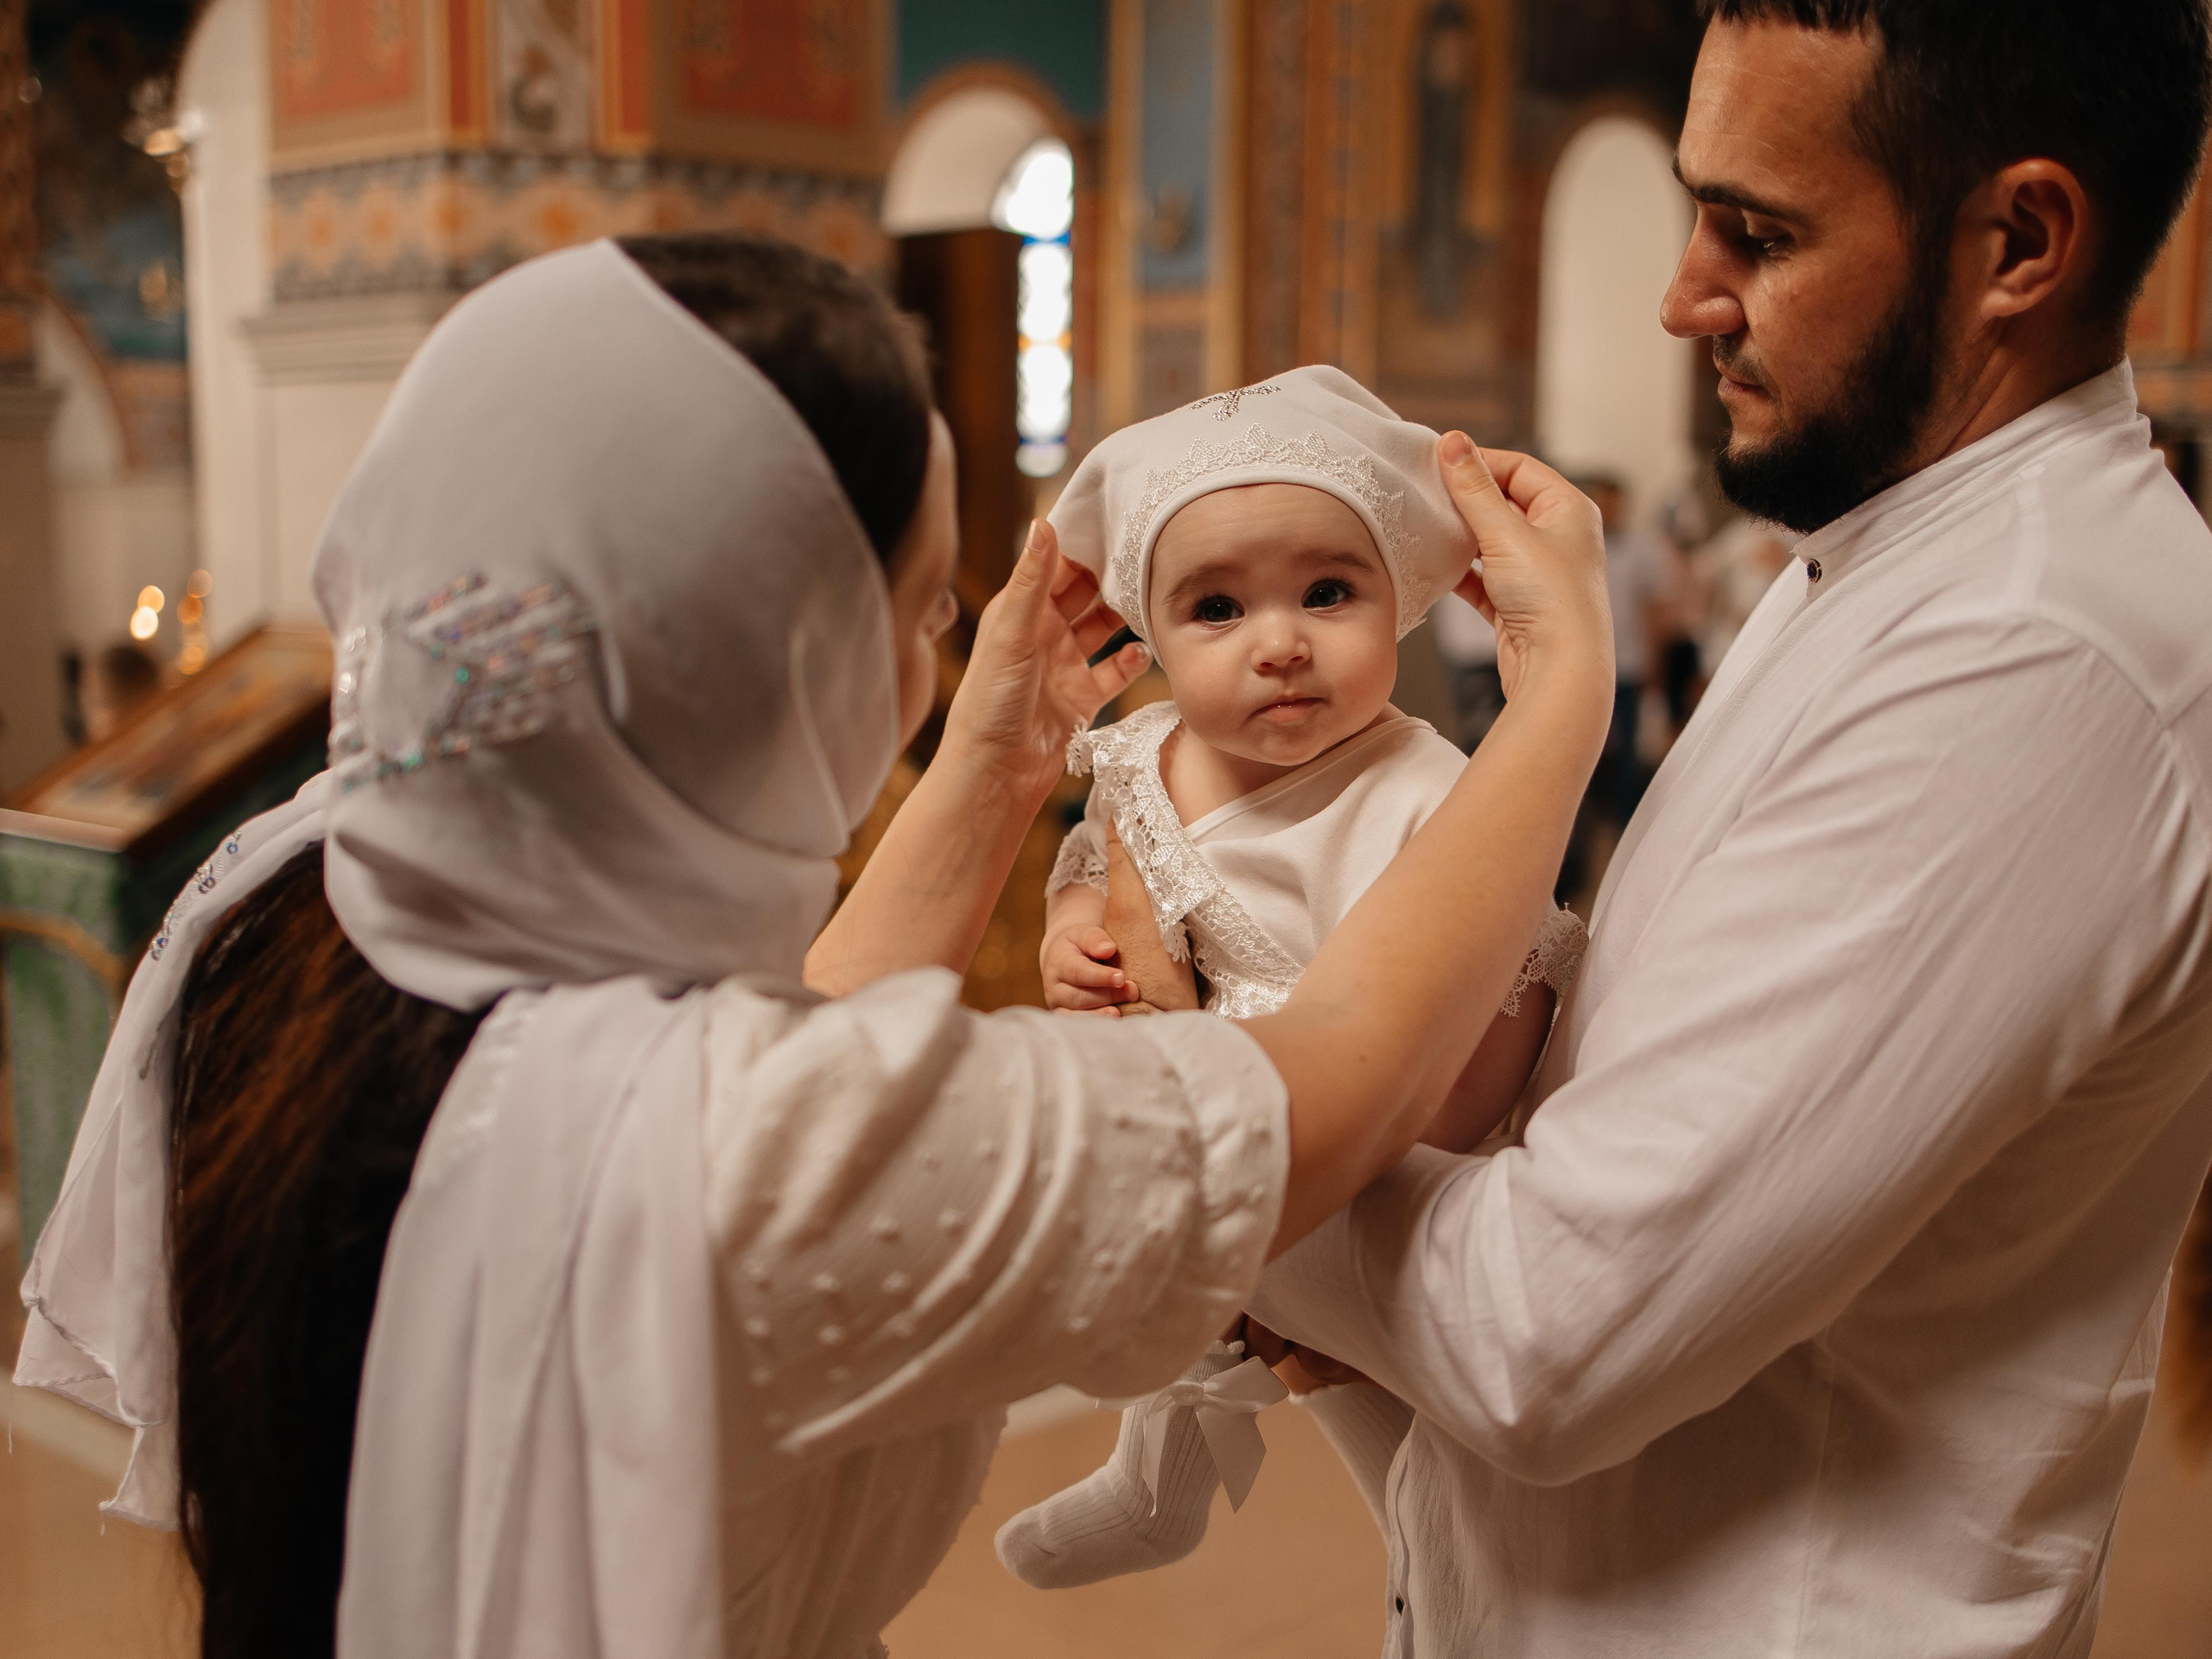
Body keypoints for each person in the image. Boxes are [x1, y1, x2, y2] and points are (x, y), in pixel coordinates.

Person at [13, 232, 1614, 1659]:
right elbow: (1327, 1092)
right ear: (772, 649)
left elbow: (779, 1053)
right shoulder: (785, 1144)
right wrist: (1560, 692)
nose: (930, 673)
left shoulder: (291, 905)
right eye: (918, 621)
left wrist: (994, 760)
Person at [1242, 3, 2212, 1656]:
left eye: (1757, 234)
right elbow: (1617, 1128)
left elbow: (1546, 1335)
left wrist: (1209, 1099)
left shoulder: (2034, 652)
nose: (1685, 294)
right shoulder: (1884, 553)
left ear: (2021, 242)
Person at [984, 367, 1586, 1587]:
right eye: (1216, 609)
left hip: (1382, 1157)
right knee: (1169, 1298)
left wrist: (1397, 1158)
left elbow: (1505, 992)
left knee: (1412, 1452)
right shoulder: (1147, 748)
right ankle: (1163, 1479)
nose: (1280, 644)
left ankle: (1440, 1586)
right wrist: (1070, 932)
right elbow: (1096, 855)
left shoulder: (1421, 792)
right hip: (1204, 1109)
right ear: (1146, 633)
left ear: (1400, 600)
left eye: (1327, 591)